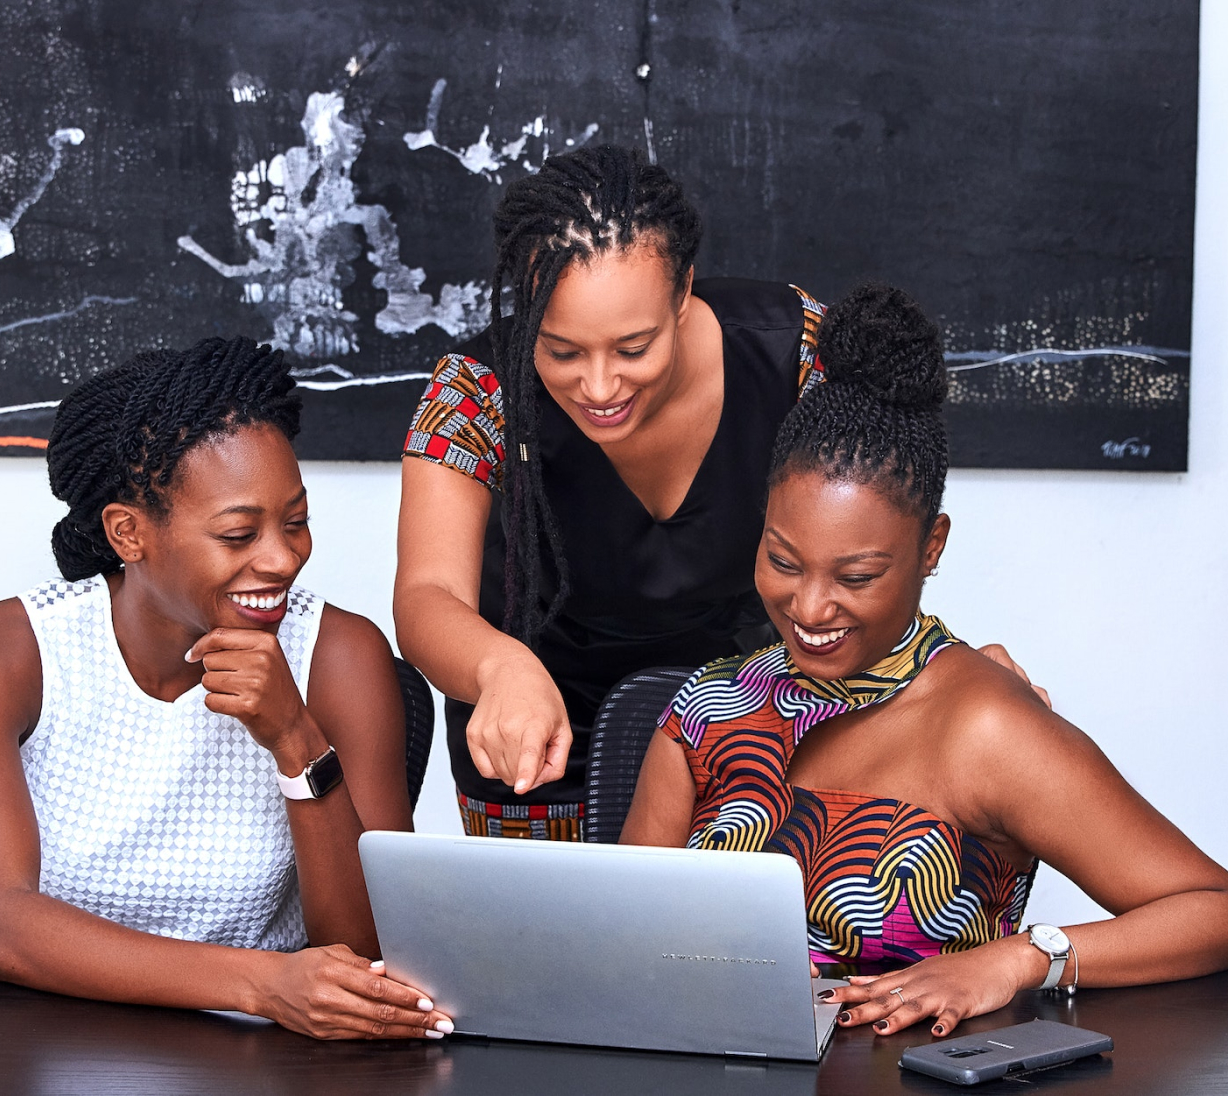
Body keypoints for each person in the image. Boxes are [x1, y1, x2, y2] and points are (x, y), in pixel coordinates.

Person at [619, 283, 1228, 1037]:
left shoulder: (987, 726)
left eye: (856, 577)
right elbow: (623, 944)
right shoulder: (707, 709)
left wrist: (1019, 959)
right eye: (783, 560)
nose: (809, 608)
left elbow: (1212, 911)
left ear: (930, 547)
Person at [394, 144, 1040, 838]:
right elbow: (426, 597)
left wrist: (945, 671)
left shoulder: (796, 355)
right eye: (561, 351)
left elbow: (874, 532)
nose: (601, 386)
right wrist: (498, 667)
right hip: (534, 754)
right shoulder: (475, 390)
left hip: (743, 741)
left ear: (684, 293)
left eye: (634, 347)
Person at [0, 337, 452, 1041]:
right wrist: (260, 983)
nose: (281, 558)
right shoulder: (18, 653)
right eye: (239, 535)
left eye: (295, 522)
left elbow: (371, 956)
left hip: (259, 1064)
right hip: (41, 1045)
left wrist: (297, 743)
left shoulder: (339, 655)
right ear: (128, 533)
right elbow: (3, 921)